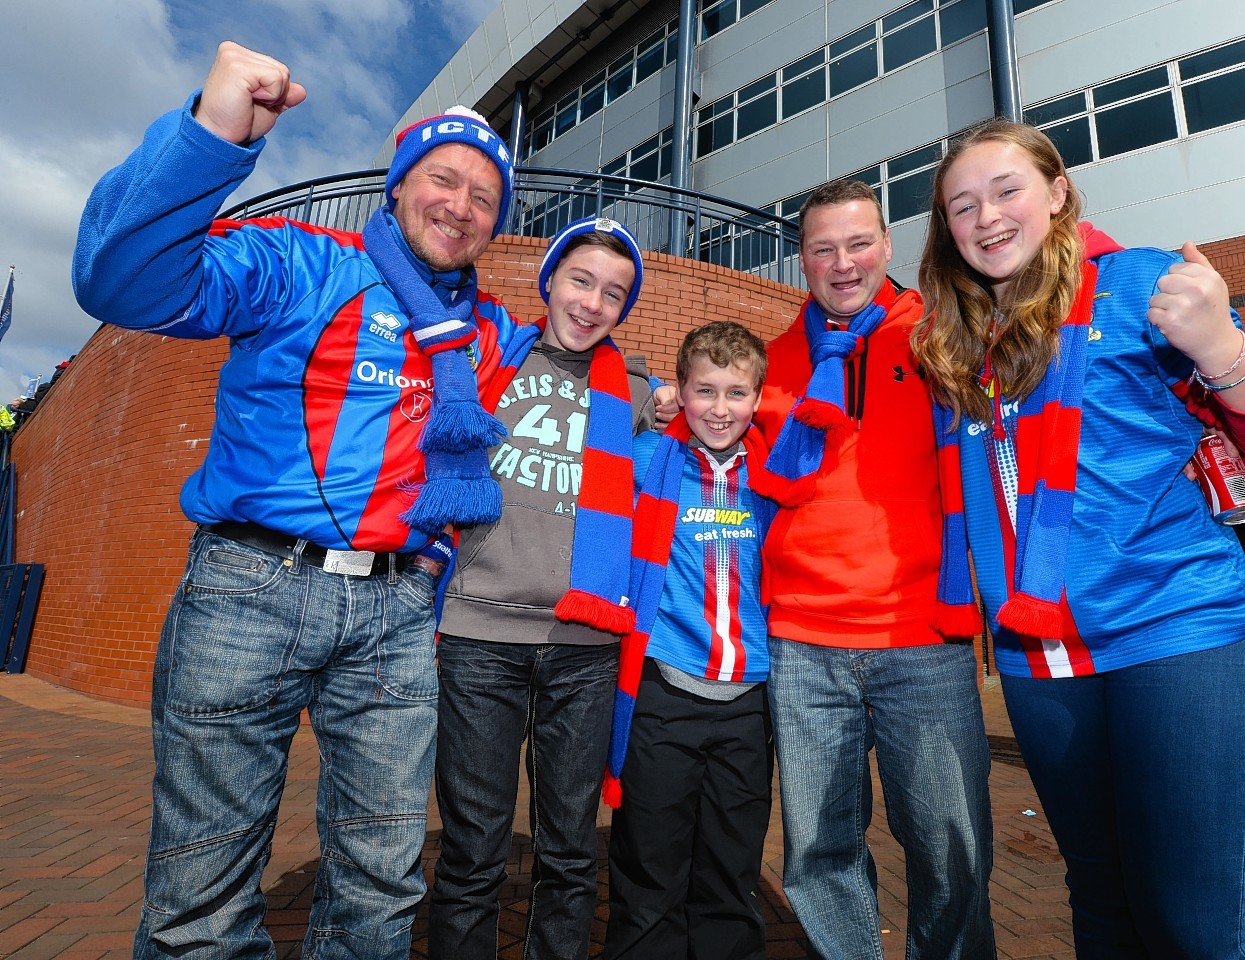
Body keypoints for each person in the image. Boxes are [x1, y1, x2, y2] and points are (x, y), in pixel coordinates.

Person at [71, 41, 518, 959]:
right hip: (250, 589)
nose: (460, 206)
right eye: (442, 179)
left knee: (383, 886)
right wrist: (215, 132)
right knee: (201, 889)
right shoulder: (303, 265)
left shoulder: (494, 334)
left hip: (396, 611)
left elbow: (581, 382)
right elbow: (120, 282)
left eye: (484, 197)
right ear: (395, 185)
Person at [911, 117, 1245, 959]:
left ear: (1058, 192)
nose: (986, 217)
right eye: (962, 206)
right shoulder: (952, 343)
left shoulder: (1141, 284)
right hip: (1042, 664)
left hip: (1175, 634)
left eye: (1006, 190)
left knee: (1190, 924)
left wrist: (1222, 345)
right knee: (1101, 904)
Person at [748, 180, 996, 960]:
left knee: (951, 851)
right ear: (802, 260)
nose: (842, 263)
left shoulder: (942, 337)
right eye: (822, 248)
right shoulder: (772, 363)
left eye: (858, 244)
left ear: (887, 247)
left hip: (922, 636)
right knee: (819, 853)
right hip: (800, 644)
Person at [428, 216, 656, 959]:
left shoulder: (638, 392)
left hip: (584, 648)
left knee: (568, 854)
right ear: (550, 280)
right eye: (581, 281)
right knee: (472, 853)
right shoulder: (490, 361)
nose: (593, 304)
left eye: (613, 293)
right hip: (479, 640)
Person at [602, 321, 776, 960]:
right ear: (681, 390)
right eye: (705, 391)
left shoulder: (776, 467)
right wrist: (646, 398)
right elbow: (596, 432)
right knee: (649, 869)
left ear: (758, 398)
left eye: (736, 393)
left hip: (748, 700)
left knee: (731, 873)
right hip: (663, 692)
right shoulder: (651, 458)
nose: (720, 409)